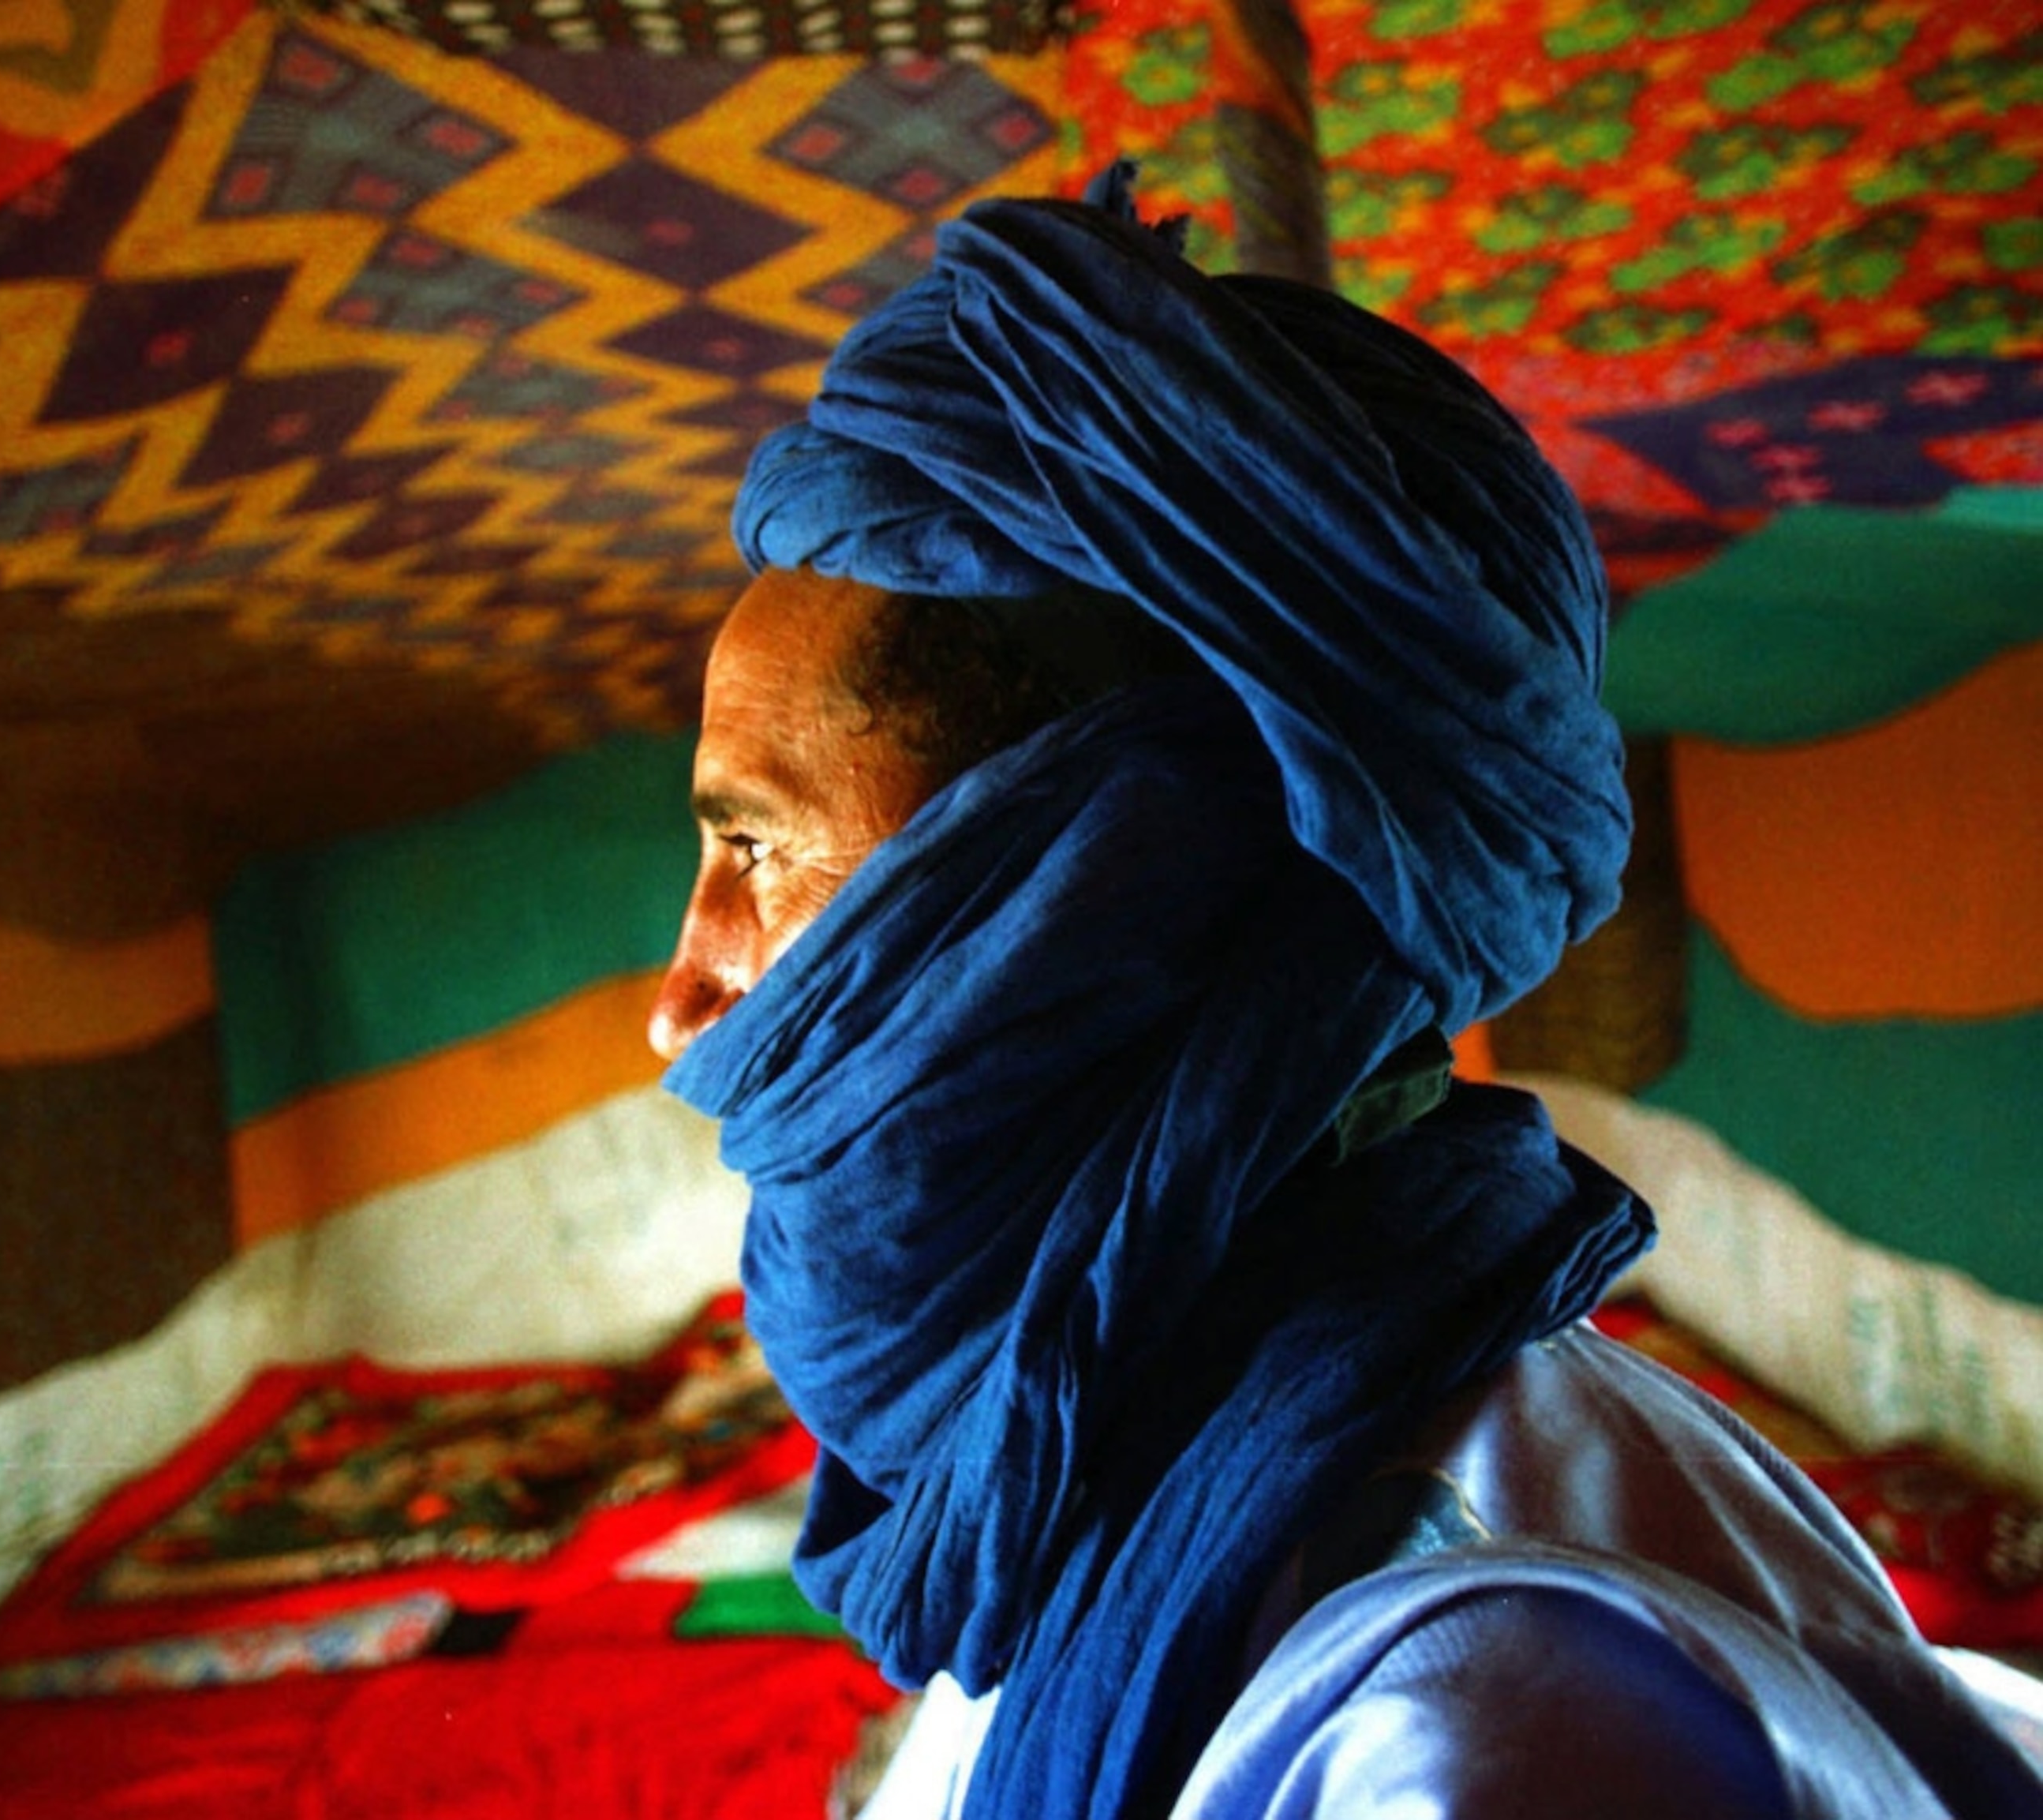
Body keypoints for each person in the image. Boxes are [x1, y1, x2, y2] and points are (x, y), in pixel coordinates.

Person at [644, 167, 2043, 1818]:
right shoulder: (1112, 1462)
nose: (680, 1001)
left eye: (757, 846)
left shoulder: (1489, 1720)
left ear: (1101, 883)